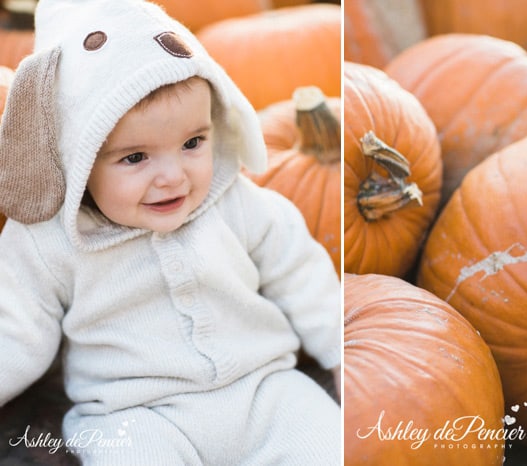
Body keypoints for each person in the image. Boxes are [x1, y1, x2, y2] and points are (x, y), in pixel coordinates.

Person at [0, 0, 341, 464]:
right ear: (75, 159)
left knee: (325, 441)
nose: (174, 177)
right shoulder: (49, 242)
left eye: (192, 143)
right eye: (135, 157)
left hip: (263, 389)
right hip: (132, 413)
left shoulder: (237, 202)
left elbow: (300, 273)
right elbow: (16, 330)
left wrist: (342, 356)